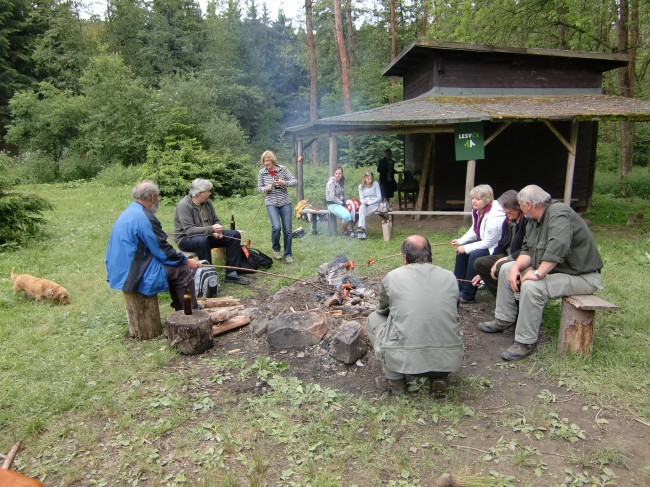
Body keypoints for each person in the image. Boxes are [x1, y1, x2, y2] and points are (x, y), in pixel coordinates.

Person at [478, 185, 603, 361]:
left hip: (583, 276)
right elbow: (527, 250)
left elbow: (558, 247)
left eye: (520, 205)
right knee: (506, 268)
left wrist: (538, 273)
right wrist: (514, 268)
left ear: (528, 204)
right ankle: (504, 319)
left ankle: (525, 341)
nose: (519, 208)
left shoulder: (560, 214)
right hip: (560, 272)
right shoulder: (533, 220)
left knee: (533, 286)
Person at [367, 235, 464, 397]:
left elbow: (382, 310)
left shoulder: (393, 277)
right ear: (430, 255)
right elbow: (454, 309)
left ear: (405, 258)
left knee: (373, 319)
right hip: (449, 357)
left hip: (404, 358)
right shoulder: (450, 276)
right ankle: (439, 377)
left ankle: (394, 379)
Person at [105, 180, 202, 310]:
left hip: (117, 269)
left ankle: (181, 308)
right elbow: (163, 251)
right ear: (153, 197)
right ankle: (191, 311)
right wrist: (186, 261)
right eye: (158, 196)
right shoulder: (145, 218)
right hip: (133, 273)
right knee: (182, 270)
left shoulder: (129, 211)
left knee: (175, 266)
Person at [173, 178, 250, 285]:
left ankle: (232, 273)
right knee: (202, 241)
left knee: (234, 235)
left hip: (206, 235)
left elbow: (215, 220)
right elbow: (189, 230)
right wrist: (211, 229)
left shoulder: (207, 202)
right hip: (185, 239)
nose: (210, 193)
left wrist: (218, 231)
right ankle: (209, 277)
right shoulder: (184, 205)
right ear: (200, 193)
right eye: (208, 191)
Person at [452, 184, 505, 304]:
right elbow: (474, 228)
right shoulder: (477, 211)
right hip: (484, 241)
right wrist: (461, 241)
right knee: (461, 253)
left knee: (474, 255)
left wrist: (466, 247)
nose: (474, 201)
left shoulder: (496, 215)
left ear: (487, 200)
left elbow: (488, 242)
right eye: (473, 198)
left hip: (496, 248)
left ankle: (468, 293)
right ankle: (456, 287)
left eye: (478, 199)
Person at [471, 190, 528, 297]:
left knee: (501, 265)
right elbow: (501, 245)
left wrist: (506, 259)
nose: (504, 211)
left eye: (507, 208)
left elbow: (527, 248)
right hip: (506, 255)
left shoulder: (527, 222)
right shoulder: (507, 221)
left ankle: (513, 298)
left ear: (517, 206)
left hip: (520, 257)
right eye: (503, 207)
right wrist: (488, 268)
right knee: (480, 263)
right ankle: (501, 295)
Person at [257, 150, 297, 263]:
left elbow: (295, 181)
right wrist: (266, 188)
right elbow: (259, 188)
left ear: (272, 160)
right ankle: (276, 249)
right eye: (264, 161)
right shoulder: (262, 172)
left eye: (268, 160)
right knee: (276, 227)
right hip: (271, 203)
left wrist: (283, 182)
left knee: (288, 230)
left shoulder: (282, 169)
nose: (266, 163)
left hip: (285, 202)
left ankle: (288, 254)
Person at [325, 166, 356, 237]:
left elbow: (342, 195)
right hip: (332, 205)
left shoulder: (340, 182)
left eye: (340, 173)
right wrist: (342, 203)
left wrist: (347, 202)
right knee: (347, 216)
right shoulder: (331, 183)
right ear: (334, 174)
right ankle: (344, 231)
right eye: (336, 173)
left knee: (355, 212)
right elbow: (331, 197)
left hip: (340, 204)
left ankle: (349, 229)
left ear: (342, 174)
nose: (338, 175)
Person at [357, 171, 382, 240]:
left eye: (371, 179)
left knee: (362, 213)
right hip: (365, 203)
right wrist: (364, 202)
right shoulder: (360, 186)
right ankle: (362, 230)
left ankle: (361, 230)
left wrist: (370, 202)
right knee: (362, 208)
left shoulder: (375, 184)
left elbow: (379, 197)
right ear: (365, 178)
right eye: (368, 179)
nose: (370, 181)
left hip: (374, 203)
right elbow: (361, 199)